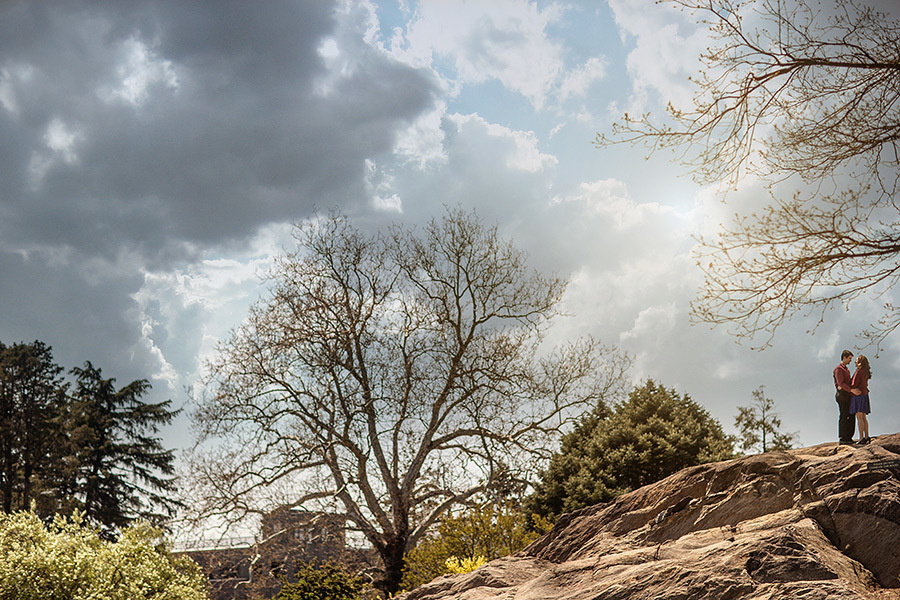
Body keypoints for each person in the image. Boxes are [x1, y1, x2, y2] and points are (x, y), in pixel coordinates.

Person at [833, 349, 855, 444]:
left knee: (851, 415)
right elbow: (840, 383)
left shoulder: (846, 369)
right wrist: (851, 389)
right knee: (844, 415)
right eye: (849, 358)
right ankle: (843, 438)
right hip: (842, 395)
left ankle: (849, 437)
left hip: (847, 395)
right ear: (844, 357)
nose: (850, 360)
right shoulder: (839, 369)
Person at [850, 355, 872, 444]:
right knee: (864, 417)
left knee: (859, 417)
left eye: (856, 360)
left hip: (858, 395)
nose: (855, 362)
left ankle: (861, 437)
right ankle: (867, 436)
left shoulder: (858, 372)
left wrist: (849, 388)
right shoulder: (866, 372)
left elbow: (854, 384)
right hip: (865, 394)